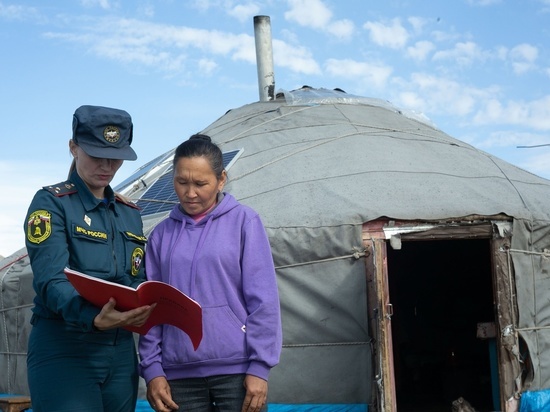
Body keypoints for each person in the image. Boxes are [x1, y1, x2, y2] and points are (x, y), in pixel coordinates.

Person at [24, 105, 156, 412]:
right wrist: (92, 317)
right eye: (97, 154)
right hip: (65, 347)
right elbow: (51, 279)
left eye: (117, 156)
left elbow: (136, 279)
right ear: (73, 147)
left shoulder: (129, 213)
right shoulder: (51, 203)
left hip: (120, 353)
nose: (107, 166)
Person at [138, 134, 282, 412]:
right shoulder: (160, 235)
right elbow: (151, 307)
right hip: (177, 376)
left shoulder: (244, 222)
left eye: (200, 184)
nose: (190, 193)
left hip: (238, 372)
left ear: (221, 179)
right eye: (181, 182)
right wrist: (152, 370)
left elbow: (263, 300)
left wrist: (259, 367)